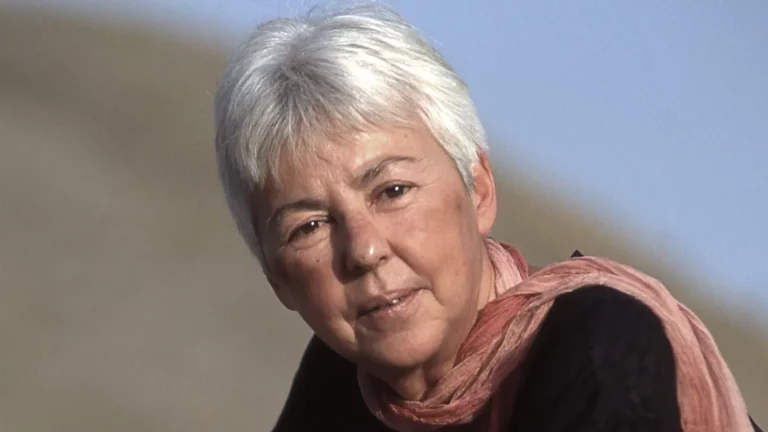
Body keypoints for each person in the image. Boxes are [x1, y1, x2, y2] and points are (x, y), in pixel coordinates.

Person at [213, 4, 761, 431]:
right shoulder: (342, 388)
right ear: (276, 278)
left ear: (478, 189)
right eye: (309, 227)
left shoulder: (598, 345)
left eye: (393, 191)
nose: (363, 250)